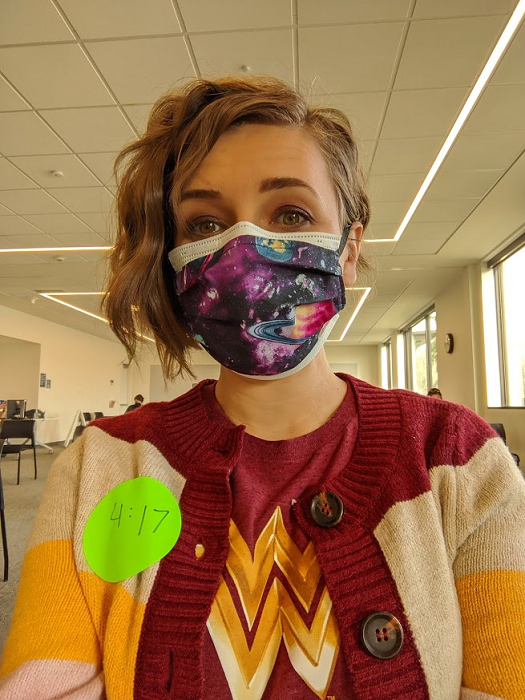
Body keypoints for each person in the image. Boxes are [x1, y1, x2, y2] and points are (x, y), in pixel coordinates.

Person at [0, 76, 524, 700]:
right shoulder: (100, 465)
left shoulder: (457, 462)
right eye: (204, 224)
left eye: (292, 214)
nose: (245, 249)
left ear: (349, 247)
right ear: (173, 262)